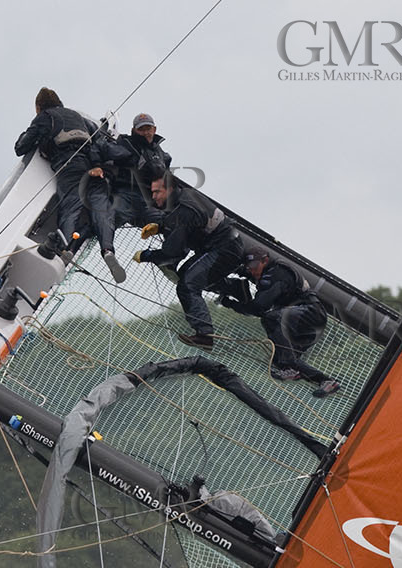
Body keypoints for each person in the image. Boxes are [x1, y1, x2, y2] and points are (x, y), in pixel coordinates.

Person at [134, 173, 242, 348]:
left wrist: (146, 256)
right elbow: (186, 224)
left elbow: (173, 252)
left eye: (157, 192)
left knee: (187, 286)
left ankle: (205, 335)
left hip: (223, 249)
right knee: (185, 274)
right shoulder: (186, 195)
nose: (153, 196)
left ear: (169, 189)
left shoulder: (183, 209)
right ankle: (235, 288)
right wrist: (160, 227)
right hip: (226, 244)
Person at [220, 250, 342, 396]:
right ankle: (326, 381)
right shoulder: (265, 273)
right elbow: (256, 283)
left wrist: (229, 303)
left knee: (271, 318)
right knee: (281, 359)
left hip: (310, 314)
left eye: (254, 265)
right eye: (248, 267)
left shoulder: (277, 274)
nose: (252, 270)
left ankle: (290, 368)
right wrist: (236, 270)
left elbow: (259, 307)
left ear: (265, 261)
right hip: (303, 324)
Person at [13, 87, 101, 261]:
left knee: (70, 206)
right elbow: (96, 134)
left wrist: (32, 133)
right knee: (96, 212)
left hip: (69, 164)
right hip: (91, 165)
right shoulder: (76, 116)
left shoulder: (45, 118)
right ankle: (78, 240)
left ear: (39, 107)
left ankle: (64, 248)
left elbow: (20, 147)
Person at [87, 113, 176, 279]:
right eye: (141, 129)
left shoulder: (163, 155)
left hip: (146, 204)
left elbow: (165, 177)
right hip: (125, 197)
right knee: (106, 217)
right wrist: (96, 166)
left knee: (172, 221)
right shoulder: (126, 145)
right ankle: (108, 251)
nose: (146, 132)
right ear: (134, 130)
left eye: (148, 128)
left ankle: (169, 261)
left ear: (154, 129)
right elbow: (99, 146)